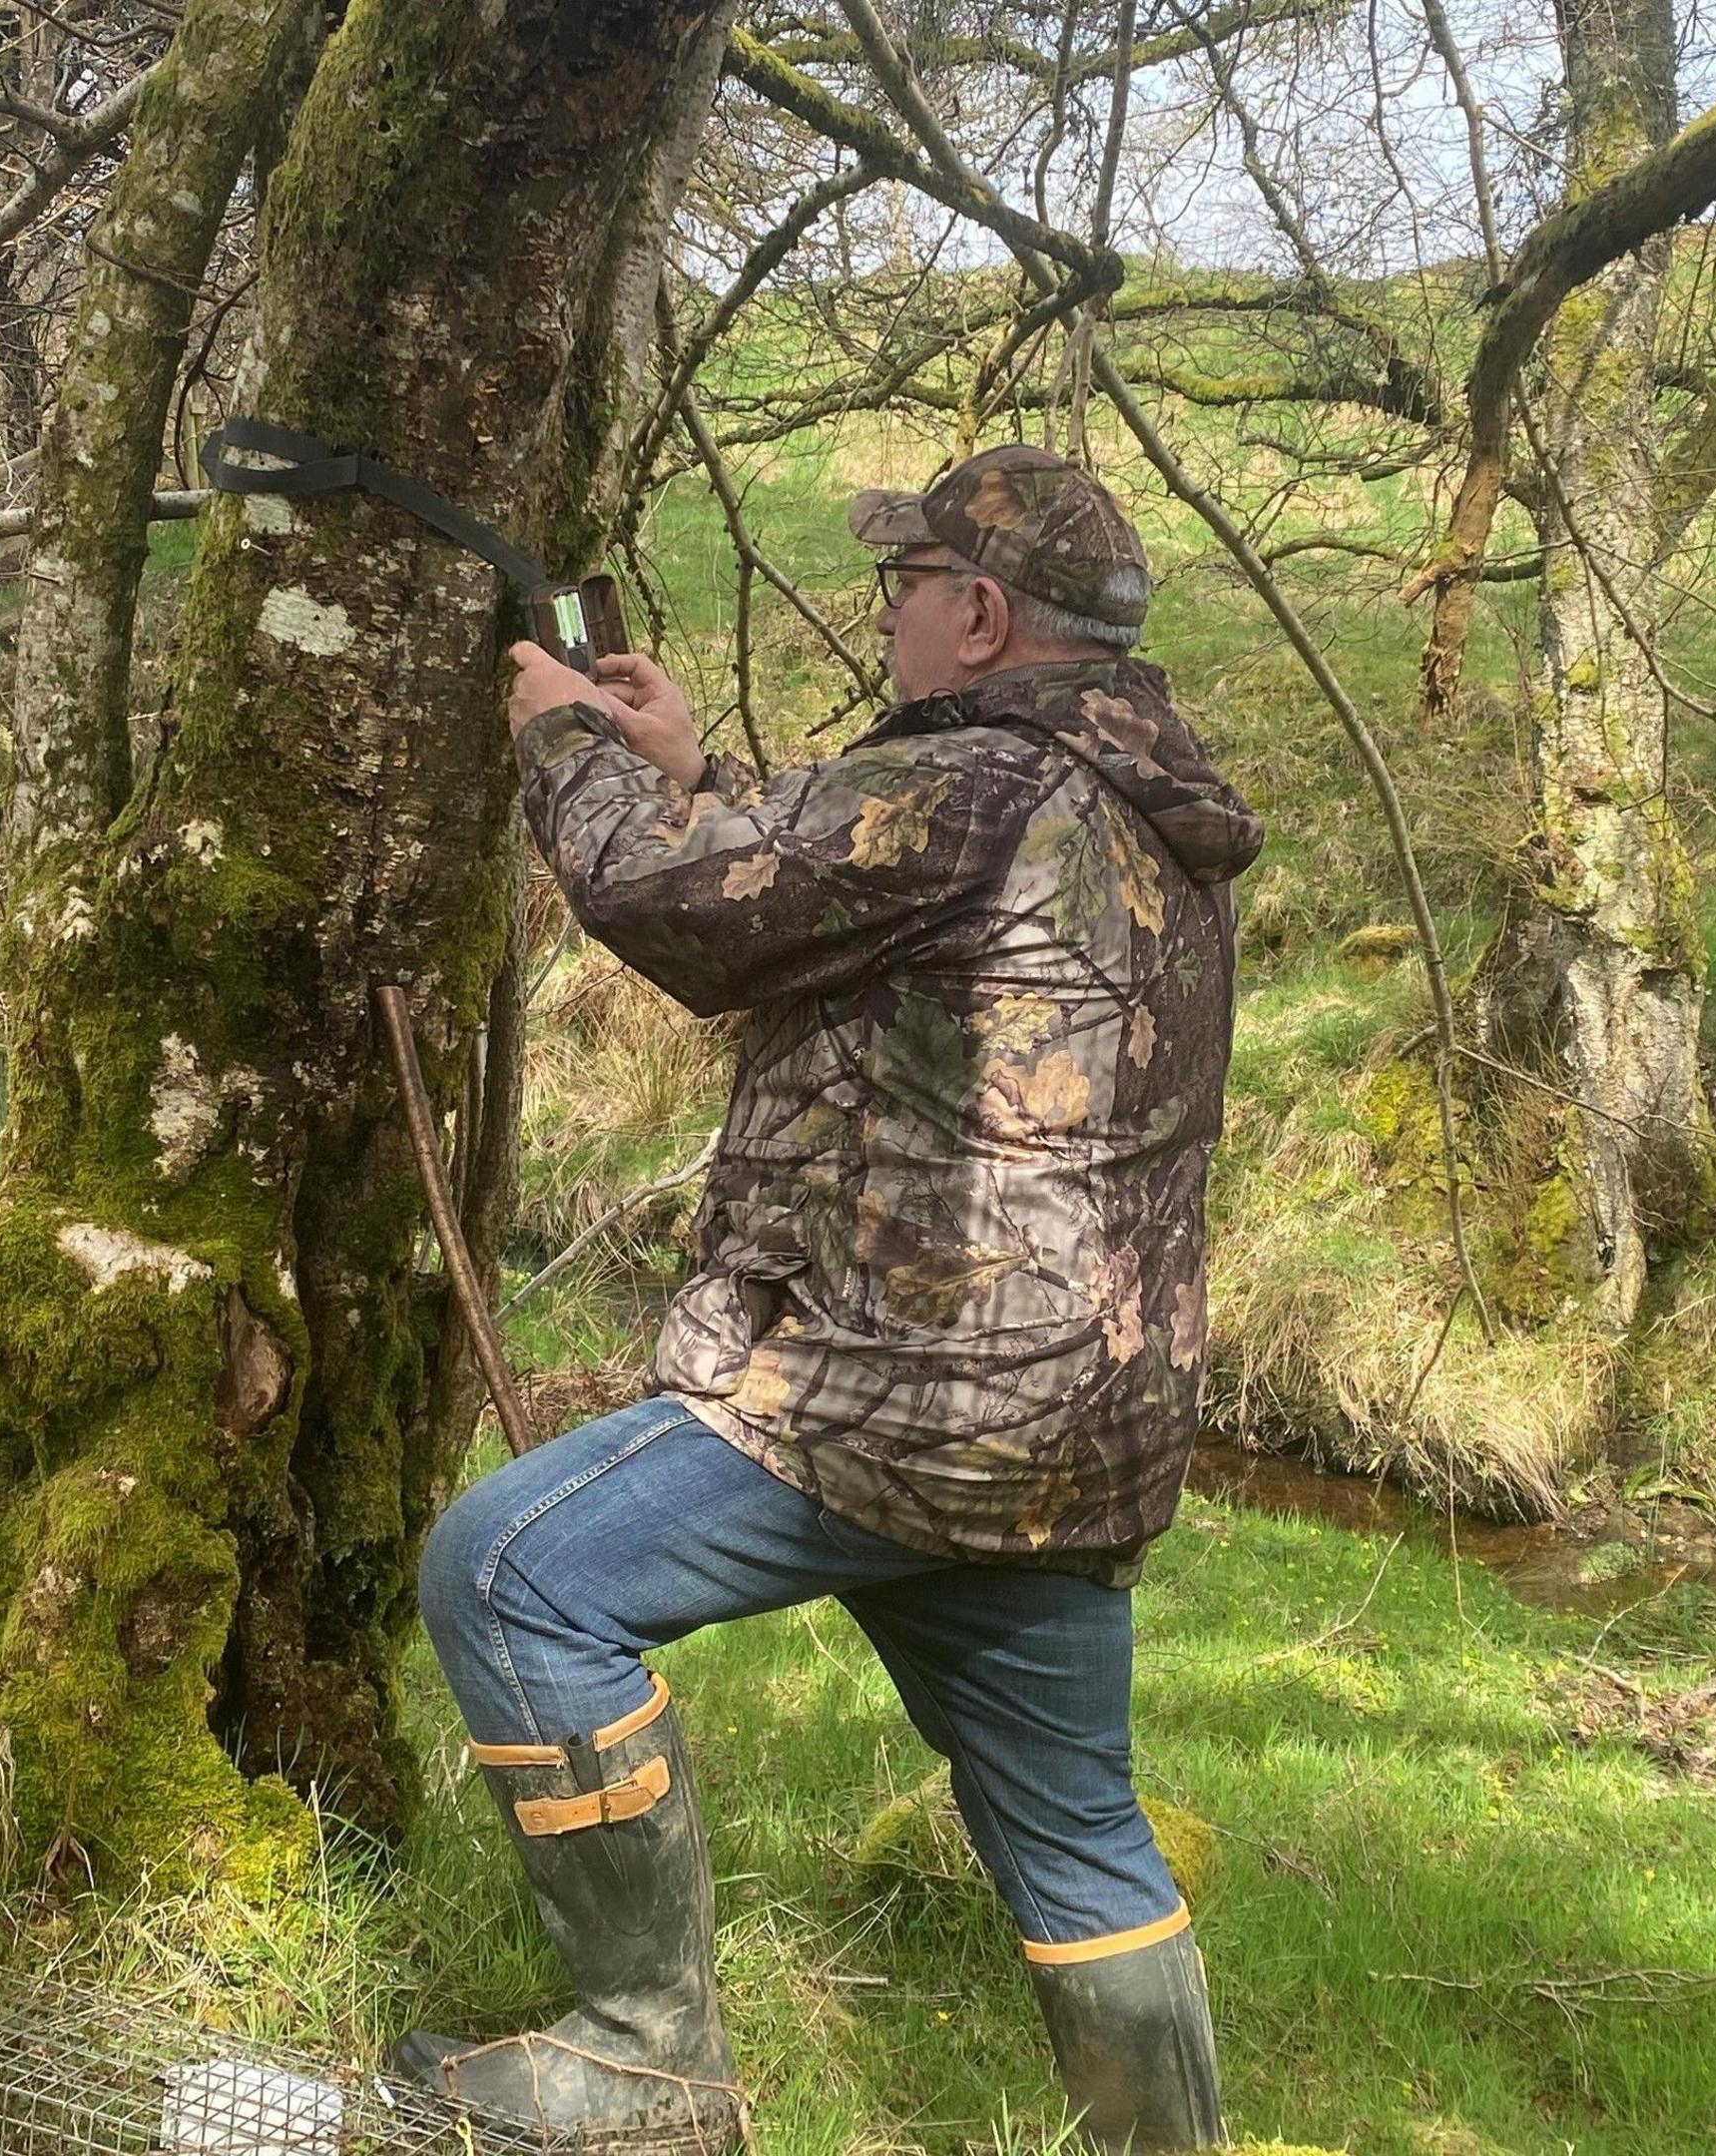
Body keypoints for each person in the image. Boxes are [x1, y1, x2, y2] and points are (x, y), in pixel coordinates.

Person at [390, 445, 1263, 2150]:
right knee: (1075, 1824)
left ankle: (645, 2057)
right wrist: (696, 768)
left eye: (903, 582)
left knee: (507, 1572)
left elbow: (682, 916)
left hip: (909, 1409)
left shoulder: (977, 783)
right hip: (1079, 1433)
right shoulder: (1146, 810)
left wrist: (564, 739)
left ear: (983, 614)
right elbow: (878, 913)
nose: (889, 609)